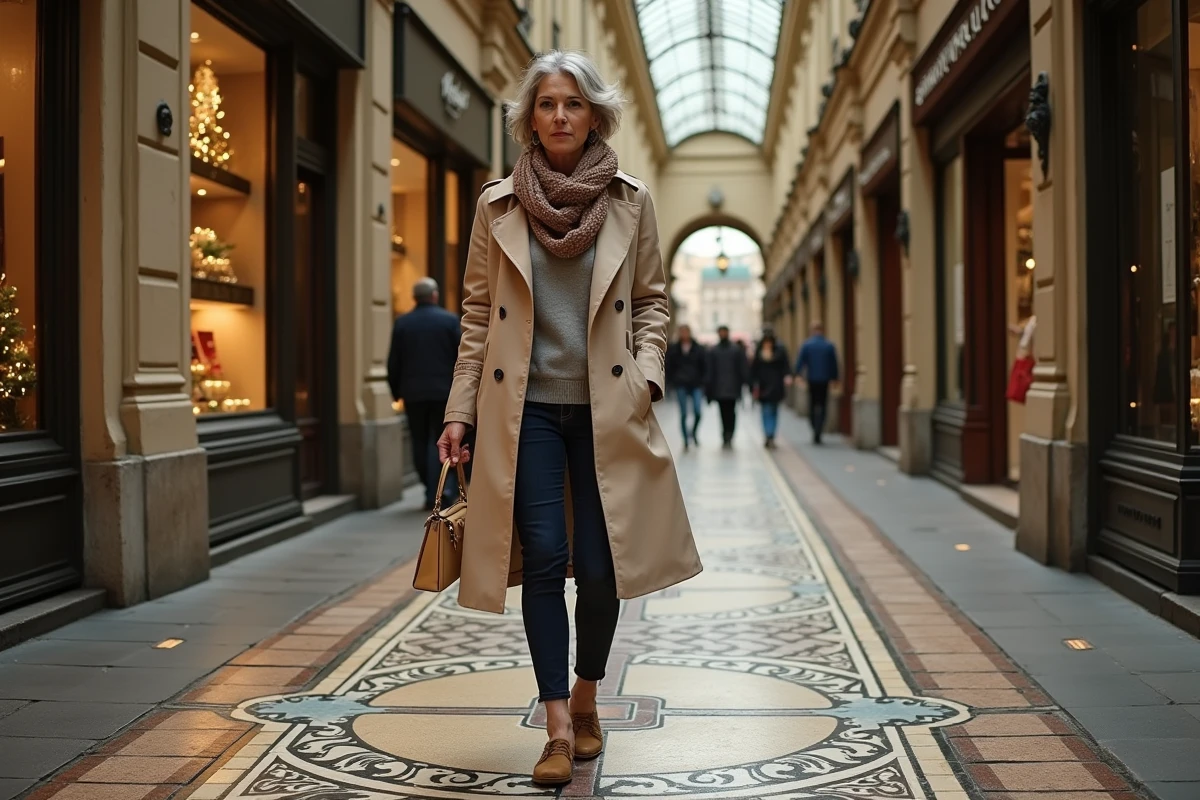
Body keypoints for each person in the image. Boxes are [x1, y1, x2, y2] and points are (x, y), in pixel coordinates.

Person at [435, 50, 702, 786]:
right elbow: (477, 319)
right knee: (546, 559)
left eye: (573, 104)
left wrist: (647, 374)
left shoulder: (629, 200)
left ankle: (588, 697)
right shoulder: (498, 204)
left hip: (607, 409)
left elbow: (650, 300)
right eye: (547, 103)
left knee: (603, 567)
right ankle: (557, 725)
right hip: (526, 415)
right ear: (530, 116)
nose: (559, 115)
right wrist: (460, 411)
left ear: (594, 115)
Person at [386, 278, 462, 510]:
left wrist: (396, 392)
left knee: (420, 441)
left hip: (414, 394)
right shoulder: (449, 321)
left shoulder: (403, 324)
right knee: (441, 441)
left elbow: (393, 362)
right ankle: (441, 489)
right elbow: (461, 357)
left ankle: (431, 488)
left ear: (415, 298)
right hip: (444, 393)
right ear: (435, 296)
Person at [795, 321, 839, 444]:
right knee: (823, 404)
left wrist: (798, 374)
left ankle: (815, 427)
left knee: (812, 404)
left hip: (812, 379)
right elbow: (834, 364)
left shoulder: (807, 345)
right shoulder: (829, 345)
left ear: (812, 331)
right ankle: (819, 428)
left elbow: (800, 362)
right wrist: (835, 378)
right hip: (824, 380)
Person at [705, 324, 749, 448]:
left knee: (731, 412)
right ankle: (726, 433)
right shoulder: (714, 351)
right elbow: (710, 371)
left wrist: (745, 383)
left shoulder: (735, 350)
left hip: (732, 387)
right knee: (723, 412)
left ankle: (729, 433)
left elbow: (742, 368)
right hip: (720, 388)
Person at [665, 324, 706, 448]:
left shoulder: (698, 348)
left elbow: (704, 365)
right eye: (681, 332)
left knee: (698, 411)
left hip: (696, 383)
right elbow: (669, 366)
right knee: (683, 413)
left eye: (686, 332)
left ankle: (693, 432)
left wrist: (703, 380)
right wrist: (671, 381)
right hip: (680, 383)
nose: (684, 335)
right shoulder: (674, 349)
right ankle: (685, 439)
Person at [750, 328, 792, 449]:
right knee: (766, 410)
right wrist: (753, 385)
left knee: (774, 410)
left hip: (776, 385)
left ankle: (771, 435)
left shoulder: (780, 351)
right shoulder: (759, 353)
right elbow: (754, 370)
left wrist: (787, 376)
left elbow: (786, 366)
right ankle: (768, 435)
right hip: (763, 386)